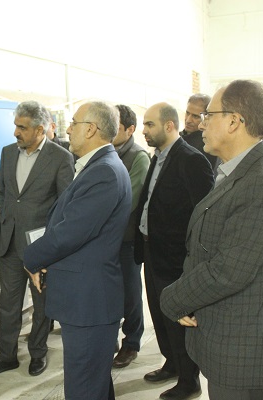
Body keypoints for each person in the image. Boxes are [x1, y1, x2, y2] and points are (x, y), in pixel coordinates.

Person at [160, 79, 263, 400]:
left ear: (235, 121)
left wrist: (174, 298)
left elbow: (229, 270)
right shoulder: (238, 171)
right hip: (224, 332)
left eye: (209, 115)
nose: (201, 124)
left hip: (241, 342)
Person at [23, 101, 131, 400]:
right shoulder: (98, 166)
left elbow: (69, 233)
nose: (68, 129)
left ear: (91, 129)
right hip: (85, 299)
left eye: (73, 122)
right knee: (94, 384)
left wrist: (31, 259)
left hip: (89, 302)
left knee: (84, 388)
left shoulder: (104, 171)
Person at [0, 101, 74, 378]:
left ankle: (38, 352)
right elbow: (2, 192)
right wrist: (1, 221)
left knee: (41, 304)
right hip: (8, 242)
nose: (16, 133)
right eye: (16, 126)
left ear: (40, 129)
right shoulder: (8, 153)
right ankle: (6, 355)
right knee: (8, 303)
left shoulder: (60, 158)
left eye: (22, 127)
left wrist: (52, 243)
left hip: (40, 247)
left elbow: (64, 205)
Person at [134, 102, 214, 400]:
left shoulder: (191, 160)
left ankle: (189, 379)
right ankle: (172, 363)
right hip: (152, 251)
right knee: (159, 313)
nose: (144, 130)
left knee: (179, 319)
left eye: (150, 124)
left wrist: (193, 260)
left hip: (176, 257)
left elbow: (203, 214)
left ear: (169, 126)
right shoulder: (158, 157)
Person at [111, 104, 150, 368]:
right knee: (108, 292)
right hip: (106, 239)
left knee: (130, 293)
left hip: (126, 239)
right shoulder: (105, 153)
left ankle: (132, 342)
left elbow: (129, 200)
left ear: (130, 129)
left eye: (115, 127)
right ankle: (110, 337)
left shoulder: (138, 157)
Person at [180, 93, 218, 168]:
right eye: (187, 113)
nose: (188, 120)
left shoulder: (207, 146)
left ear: (206, 117)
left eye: (195, 116)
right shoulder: (177, 137)